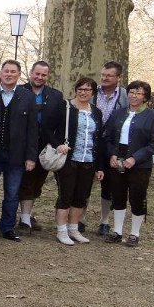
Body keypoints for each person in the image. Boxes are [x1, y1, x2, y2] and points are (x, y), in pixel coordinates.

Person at [0, 60, 38, 242]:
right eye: (6, 71)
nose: (9, 74)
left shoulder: (27, 97)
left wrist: (31, 157)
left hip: (16, 155)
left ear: (19, 75)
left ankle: (7, 228)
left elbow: (32, 130)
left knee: (12, 193)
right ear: (1, 74)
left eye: (13, 72)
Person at [104, 80, 154, 247]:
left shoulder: (153, 116)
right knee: (118, 195)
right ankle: (117, 231)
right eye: (132, 92)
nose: (134, 96)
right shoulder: (118, 113)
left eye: (139, 93)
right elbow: (108, 137)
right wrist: (112, 154)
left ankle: (135, 233)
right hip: (117, 160)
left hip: (140, 164)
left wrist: (135, 158)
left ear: (145, 97)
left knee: (137, 197)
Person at [52, 77, 104, 245]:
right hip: (69, 160)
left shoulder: (96, 112)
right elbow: (47, 128)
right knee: (66, 195)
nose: (83, 92)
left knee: (81, 196)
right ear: (75, 90)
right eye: (80, 89)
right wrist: (58, 144)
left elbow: (99, 140)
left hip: (88, 160)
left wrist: (99, 166)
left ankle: (73, 229)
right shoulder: (65, 106)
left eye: (87, 90)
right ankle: (61, 231)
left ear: (93, 93)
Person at [17, 61, 65, 233]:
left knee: (37, 182)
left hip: (45, 145)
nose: (39, 77)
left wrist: (57, 143)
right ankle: (24, 220)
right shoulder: (19, 91)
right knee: (23, 181)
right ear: (31, 73)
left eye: (43, 75)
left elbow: (59, 122)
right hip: (21, 144)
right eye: (37, 73)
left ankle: (27, 215)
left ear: (48, 76)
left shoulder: (55, 96)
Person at [90, 61, 128, 236]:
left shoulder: (125, 96)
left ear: (118, 78)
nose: (104, 78)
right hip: (91, 143)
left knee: (109, 186)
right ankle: (80, 219)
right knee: (84, 183)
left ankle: (104, 221)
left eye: (109, 76)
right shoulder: (92, 91)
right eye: (103, 75)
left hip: (112, 145)